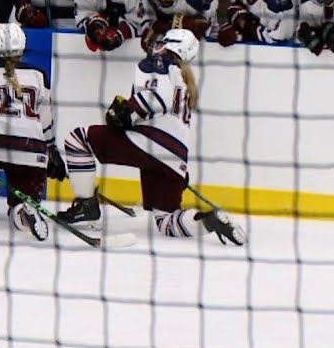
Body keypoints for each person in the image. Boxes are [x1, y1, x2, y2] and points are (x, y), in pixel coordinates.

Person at [57, 28, 245, 245]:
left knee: (78, 139)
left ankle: (86, 206)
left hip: (149, 143)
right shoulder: (184, 79)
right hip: (175, 158)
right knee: (166, 221)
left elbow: (157, 97)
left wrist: (127, 110)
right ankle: (208, 220)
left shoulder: (158, 63)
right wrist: (177, 168)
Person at [0, 22, 65, 239]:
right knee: (20, 208)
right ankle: (25, 211)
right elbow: (46, 120)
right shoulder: (39, 75)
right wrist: (51, 151)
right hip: (33, 151)